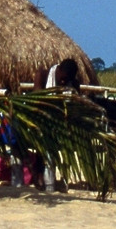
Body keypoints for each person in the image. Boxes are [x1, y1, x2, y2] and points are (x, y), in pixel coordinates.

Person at [32, 58, 80, 192]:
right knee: (44, 141)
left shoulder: (73, 84)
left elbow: (76, 104)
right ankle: (41, 176)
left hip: (62, 125)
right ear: (58, 70)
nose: (64, 82)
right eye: (63, 78)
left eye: (67, 80)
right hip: (41, 121)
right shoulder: (43, 75)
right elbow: (37, 96)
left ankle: (62, 179)